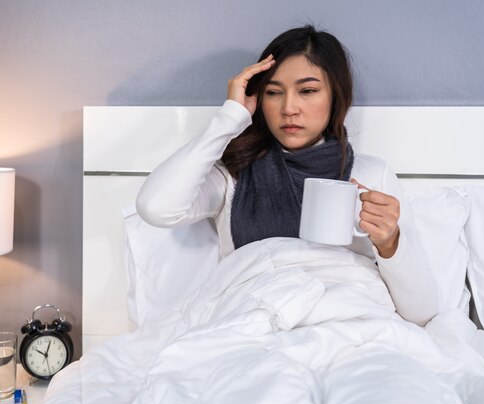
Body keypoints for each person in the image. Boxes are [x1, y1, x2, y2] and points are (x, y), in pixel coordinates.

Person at [136, 25, 438, 326]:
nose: (288, 108)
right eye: (273, 92)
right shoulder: (233, 174)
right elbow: (156, 208)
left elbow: (422, 313)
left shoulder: (371, 174)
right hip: (253, 324)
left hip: (350, 326)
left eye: (307, 91)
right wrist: (228, 118)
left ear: (336, 96)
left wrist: (390, 241)